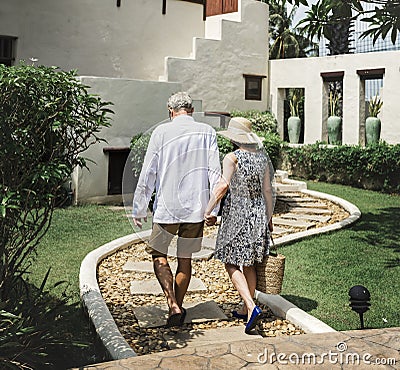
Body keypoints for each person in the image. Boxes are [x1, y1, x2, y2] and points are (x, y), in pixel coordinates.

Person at [132, 92, 221, 327]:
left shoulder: (161, 132)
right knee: (185, 259)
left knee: (158, 255)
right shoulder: (207, 132)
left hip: (167, 209)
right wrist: (213, 208)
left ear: (170, 111)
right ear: (191, 110)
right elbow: (215, 173)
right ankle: (178, 308)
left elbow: (149, 171)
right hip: (196, 209)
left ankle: (172, 304)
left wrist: (140, 207)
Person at [204, 117, 275, 334]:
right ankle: (246, 308)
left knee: (231, 262)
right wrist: (269, 219)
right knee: (250, 263)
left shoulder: (232, 158)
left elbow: (223, 185)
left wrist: (208, 209)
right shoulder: (262, 158)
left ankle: (251, 306)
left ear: (235, 138)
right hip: (258, 215)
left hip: (237, 215)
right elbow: (267, 191)